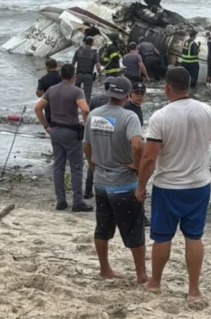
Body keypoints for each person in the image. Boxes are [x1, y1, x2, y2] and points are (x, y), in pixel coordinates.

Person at [136, 67, 211, 299]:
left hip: (167, 186)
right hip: (198, 185)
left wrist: (140, 186)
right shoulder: (207, 111)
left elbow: (149, 158)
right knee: (194, 237)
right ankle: (194, 290)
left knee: (162, 237)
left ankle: (156, 282)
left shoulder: (161, 116)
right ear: (189, 85)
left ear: (167, 87)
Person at [82, 77, 148, 283]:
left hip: (101, 181)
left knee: (102, 227)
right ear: (128, 96)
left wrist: (94, 168)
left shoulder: (94, 114)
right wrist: (137, 166)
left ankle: (105, 269)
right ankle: (141, 274)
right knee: (133, 230)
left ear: (109, 93)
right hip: (123, 183)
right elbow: (137, 145)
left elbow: (86, 145)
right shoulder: (129, 117)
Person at [34, 64, 93, 212]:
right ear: (73, 77)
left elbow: (38, 108)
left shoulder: (51, 90)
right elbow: (85, 109)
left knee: (58, 165)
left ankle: (61, 200)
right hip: (71, 131)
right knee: (76, 167)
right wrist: (86, 124)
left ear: (61, 75)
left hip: (55, 130)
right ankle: (78, 201)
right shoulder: (76, 91)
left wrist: (46, 126)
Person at [72, 37, 101, 104]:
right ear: (92, 43)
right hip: (88, 76)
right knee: (87, 95)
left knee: (76, 94)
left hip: (78, 75)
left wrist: (72, 75)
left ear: (84, 42)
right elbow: (98, 66)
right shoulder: (94, 53)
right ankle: (86, 110)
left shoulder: (78, 51)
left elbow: (72, 64)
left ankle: (74, 108)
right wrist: (100, 75)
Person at [36, 59, 61, 126]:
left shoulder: (43, 79)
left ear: (47, 67)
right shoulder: (62, 77)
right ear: (56, 66)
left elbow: (39, 94)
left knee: (51, 124)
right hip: (62, 105)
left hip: (49, 106)